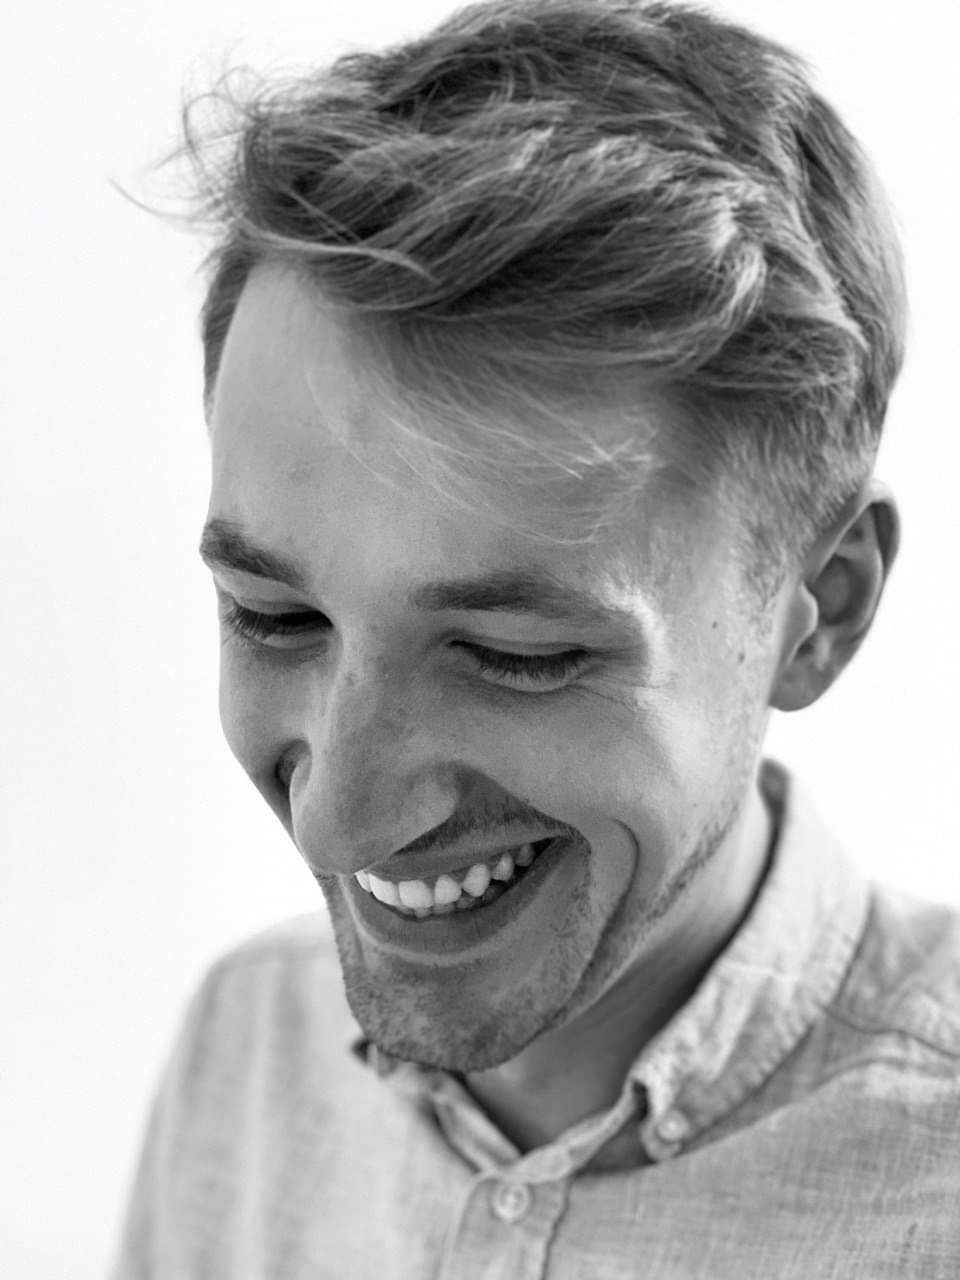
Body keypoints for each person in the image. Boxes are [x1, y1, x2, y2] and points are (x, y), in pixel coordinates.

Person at [110, 1, 960, 1275]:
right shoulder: (246, 1045)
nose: (339, 822)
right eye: (274, 617)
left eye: (519, 652)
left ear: (819, 607)